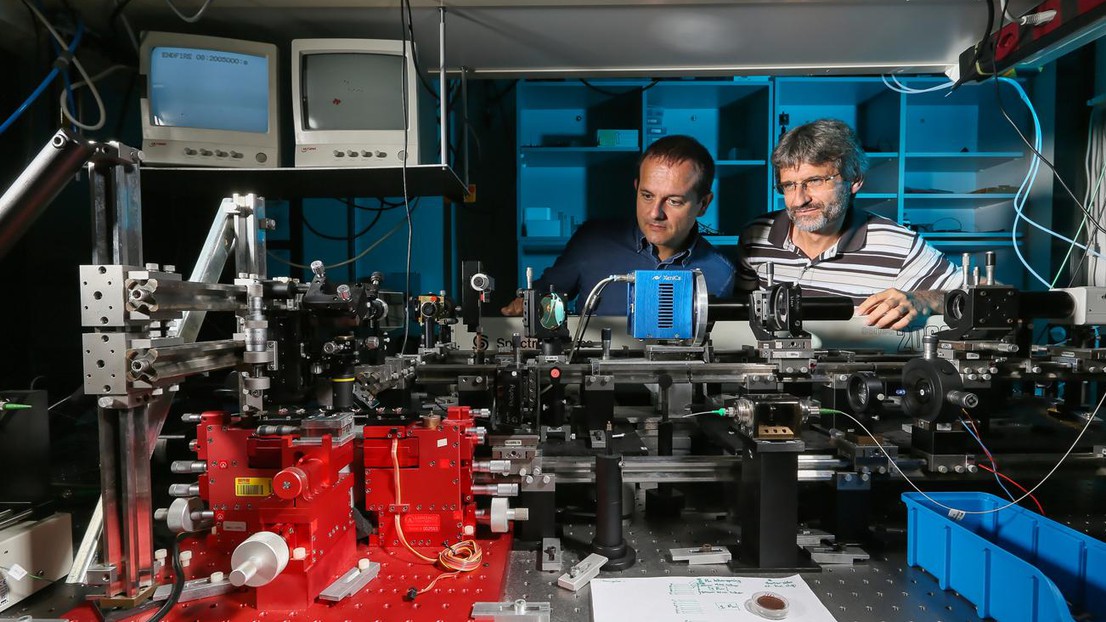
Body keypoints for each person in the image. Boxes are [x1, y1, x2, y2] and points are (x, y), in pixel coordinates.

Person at [735, 119, 962, 330]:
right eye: (789, 185)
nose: (799, 200)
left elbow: (986, 294)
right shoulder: (757, 235)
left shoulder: (899, 246)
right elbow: (738, 311)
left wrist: (923, 300)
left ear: (854, 180)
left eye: (814, 181)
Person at [502, 135, 736, 316]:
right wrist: (528, 304)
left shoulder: (720, 273)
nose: (655, 213)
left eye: (673, 201)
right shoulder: (593, 241)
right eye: (647, 196)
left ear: (703, 204)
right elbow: (546, 295)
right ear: (636, 188)